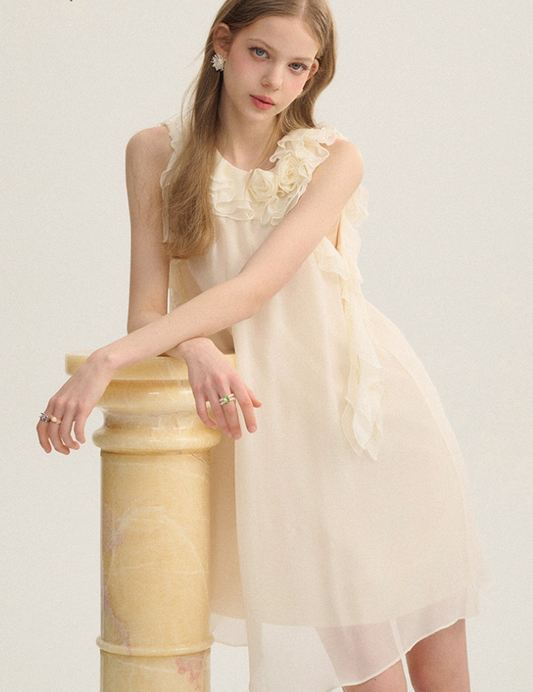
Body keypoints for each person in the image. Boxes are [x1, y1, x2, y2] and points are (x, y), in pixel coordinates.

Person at [37, 0, 489, 690]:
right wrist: (194, 347)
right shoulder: (154, 152)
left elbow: (252, 290)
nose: (275, 80)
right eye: (260, 53)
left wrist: (108, 359)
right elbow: (146, 308)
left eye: (297, 66)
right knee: (369, 671)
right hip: (280, 436)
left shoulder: (331, 159)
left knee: (440, 670)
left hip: (367, 417)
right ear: (222, 42)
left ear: (313, 75)